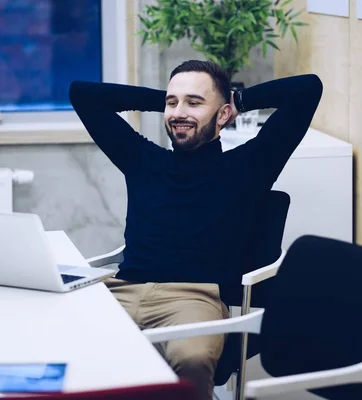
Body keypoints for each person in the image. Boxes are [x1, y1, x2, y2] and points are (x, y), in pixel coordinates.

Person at [69, 60, 323, 400]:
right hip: (123, 289)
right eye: (172, 103)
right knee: (64, 345)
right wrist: (174, 100)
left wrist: (235, 101)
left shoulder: (251, 164)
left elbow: (307, 89)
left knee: (193, 358)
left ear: (223, 114)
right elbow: (83, 95)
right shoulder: (142, 158)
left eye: (194, 102)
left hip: (195, 298)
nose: (179, 113)